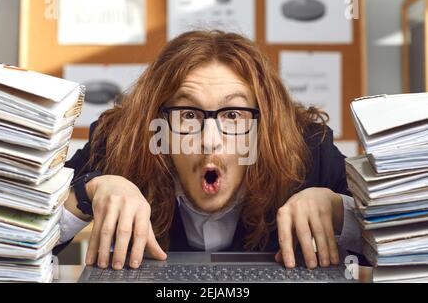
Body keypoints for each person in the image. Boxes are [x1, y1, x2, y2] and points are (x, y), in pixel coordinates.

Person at [55, 30, 361, 271]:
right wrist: (88, 193)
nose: (209, 141)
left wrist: (339, 212)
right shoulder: (120, 143)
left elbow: (401, 249)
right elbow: (15, 244)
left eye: (233, 115)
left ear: (265, 126)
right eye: (188, 115)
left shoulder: (308, 150)